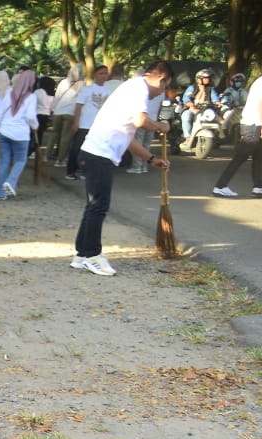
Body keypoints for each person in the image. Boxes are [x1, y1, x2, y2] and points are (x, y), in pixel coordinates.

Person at [70, 61, 172, 277]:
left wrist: (151, 158)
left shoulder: (131, 88)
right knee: (98, 206)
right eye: (164, 88)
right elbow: (141, 120)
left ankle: (82, 255)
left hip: (96, 152)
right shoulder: (139, 89)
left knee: (93, 206)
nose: (160, 93)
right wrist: (160, 126)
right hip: (99, 154)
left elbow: (128, 137)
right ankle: (92, 256)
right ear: (161, 78)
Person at [213, 54, 262, 198]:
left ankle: (258, 186)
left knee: (259, 155)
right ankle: (220, 186)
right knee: (240, 157)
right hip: (254, 124)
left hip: (253, 124)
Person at [0, 69, 39, 198]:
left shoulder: (9, 93)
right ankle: (10, 182)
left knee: (4, 162)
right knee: (20, 160)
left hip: (4, 131)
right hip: (20, 134)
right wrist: (35, 126)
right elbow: (31, 116)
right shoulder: (32, 97)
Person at [64, 64, 110, 180]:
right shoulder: (87, 89)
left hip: (99, 126)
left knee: (93, 151)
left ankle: (86, 171)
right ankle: (71, 171)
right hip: (84, 124)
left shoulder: (108, 91)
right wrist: (76, 122)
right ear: (95, 75)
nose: (103, 76)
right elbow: (78, 107)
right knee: (77, 148)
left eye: (105, 73)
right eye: (101, 73)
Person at [48, 64, 83, 160]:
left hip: (58, 111)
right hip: (70, 113)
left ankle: (46, 155)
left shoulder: (63, 82)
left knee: (54, 134)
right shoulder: (81, 84)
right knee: (65, 138)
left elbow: (57, 97)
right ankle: (60, 159)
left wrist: (53, 110)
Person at [180, 68, 218, 146]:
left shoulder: (211, 89)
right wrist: (189, 103)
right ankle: (188, 138)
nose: (208, 80)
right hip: (192, 109)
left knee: (218, 118)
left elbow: (215, 98)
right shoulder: (192, 88)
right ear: (199, 79)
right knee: (186, 116)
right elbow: (185, 98)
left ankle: (217, 138)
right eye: (205, 78)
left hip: (205, 110)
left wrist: (218, 103)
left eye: (208, 78)